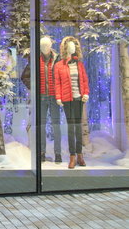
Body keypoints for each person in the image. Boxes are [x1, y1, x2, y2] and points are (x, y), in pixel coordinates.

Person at [21, 36, 62, 163]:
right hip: (41, 97)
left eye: (47, 45)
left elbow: (62, 76)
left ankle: (58, 153)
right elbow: (25, 77)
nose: (45, 48)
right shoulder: (34, 59)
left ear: (50, 46)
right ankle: (42, 152)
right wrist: (34, 88)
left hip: (55, 97)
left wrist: (60, 91)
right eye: (42, 46)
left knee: (56, 126)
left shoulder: (57, 59)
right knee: (41, 126)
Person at [54, 36, 89, 169]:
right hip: (66, 99)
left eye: (74, 46)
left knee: (78, 127)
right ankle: (72, 156)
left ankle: (80, 154)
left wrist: (85, 93)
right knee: (71, 128)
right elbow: (57, 83)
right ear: (65, 48)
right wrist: (58, 97)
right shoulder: (59, 65)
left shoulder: (79, 64)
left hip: (78, 99)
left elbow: (85, 80)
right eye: (69, 46)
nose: (72, 48)